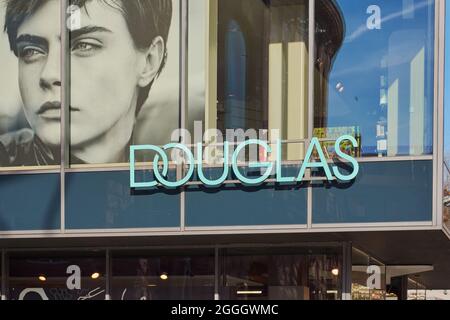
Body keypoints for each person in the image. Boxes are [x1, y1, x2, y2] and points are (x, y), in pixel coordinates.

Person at [1, 0, 172, 165]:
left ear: (149, 61)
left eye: (84, 45)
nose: (49, 74)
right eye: (31, 51)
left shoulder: (172, 176)